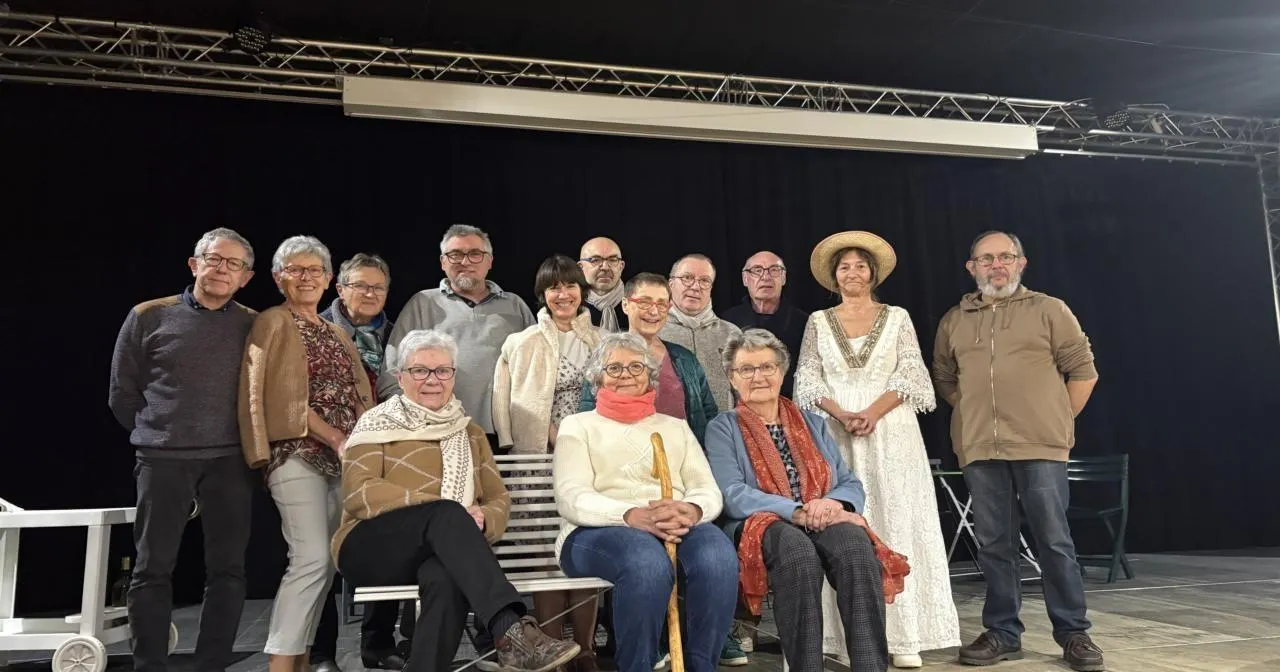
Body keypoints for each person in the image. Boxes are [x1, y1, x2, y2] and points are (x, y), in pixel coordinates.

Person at [333, 329, 580, 672]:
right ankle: (510, 628)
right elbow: (359, 492)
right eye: (420, 370)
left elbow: (497, 498)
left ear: (453, 376)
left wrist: (483, 517)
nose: (432, 379)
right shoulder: (375, 423)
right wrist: (443, 513)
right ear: (400, 377)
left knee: (444, 576)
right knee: (447, 515)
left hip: (444, 551)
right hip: (370, 547)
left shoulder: (470, 432)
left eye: (442, 370)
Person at [932, 231, 1103, 672]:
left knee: (1053, 540)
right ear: (972, 267)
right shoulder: (954, 320)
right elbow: (945, 378)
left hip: (1041, 445)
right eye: (986, 259)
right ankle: (1003, 633)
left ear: (1021, 263)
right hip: (979, 448)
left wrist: (1056, 420)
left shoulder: (1049, 309)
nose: (997, 265)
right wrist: (975, 414)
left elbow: (1083, 372)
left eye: (1005, 257)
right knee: (994, 544)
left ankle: (1074, 633)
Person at [795, 231, 959, 668]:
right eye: (844, 266)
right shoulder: (818, 321)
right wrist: (841, 413)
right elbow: (807, 377)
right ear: (834, 276)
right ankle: (843, 637)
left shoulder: (897, 317)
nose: (853, 272)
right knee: (842, 525)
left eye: (860, 266)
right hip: (836, 431)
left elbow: (911, 374)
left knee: (897, 518)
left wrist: (871, 412)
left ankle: (905, 637)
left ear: (873, 274)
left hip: (890, 430)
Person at [109, 227, 257, 672]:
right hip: (163, 458)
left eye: (233, 264)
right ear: (194, 264)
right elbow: (123, 392)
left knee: (228, 569)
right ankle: (149, 665)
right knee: (151, 568)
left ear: (246, 277)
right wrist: (158, 432)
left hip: (230, 459)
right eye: (214, 259)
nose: (222, 269)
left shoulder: (253, 324)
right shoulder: (148, 315)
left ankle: (212, 664)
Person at [706, 328, 889, 672]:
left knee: (854, 546)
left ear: (782, 372)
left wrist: (834, 505)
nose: (758, 376)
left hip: (820, 516)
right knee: (796, 551)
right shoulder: (723, 427)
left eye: (767, 367)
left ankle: (870, 665)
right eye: (747, 369)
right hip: (761, 522)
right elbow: (732, 494)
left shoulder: (813, 423)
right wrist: (796, 511)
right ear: (732, 378)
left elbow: (848, 482)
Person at [555, 333, 739, 672]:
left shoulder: (675, 426)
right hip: (595, 531)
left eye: (636, 367)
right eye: (614, 368)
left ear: (649, 375)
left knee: (717, 557)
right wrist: (629, 515)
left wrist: (691, 510)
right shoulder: (577, 426)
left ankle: (702, 666)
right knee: (645, 562)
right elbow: (571, 496)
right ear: (598, 379)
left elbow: (707, 489)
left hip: (673, 523)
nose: (626, 374)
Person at [239, 235, 374, 672]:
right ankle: (281, 664)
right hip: (297, 452)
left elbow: (358, 391)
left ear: (329, 279)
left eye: (314, 270)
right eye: (295, 269)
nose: (305, 277)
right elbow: (277, 395)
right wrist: (333, 436)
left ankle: (299, 660)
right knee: (310, 558)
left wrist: (364, 441)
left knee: (326, 564)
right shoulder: (273, 322)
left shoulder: (335, 331)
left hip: (343, 458)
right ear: (278, 277)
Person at [492, 254, 604, 671]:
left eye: (570, 285)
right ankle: (553, 651)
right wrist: (553, 439)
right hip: (539, 461)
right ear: (542, 293)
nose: (563, 294)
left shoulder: (601, 339)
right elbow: (506, 401)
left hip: (592, 458)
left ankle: (586, 650)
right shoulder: (521, 342)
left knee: (585, 548)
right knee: (544, 556)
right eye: (554, 287)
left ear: (582, 291)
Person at [313, 253, 406, 672]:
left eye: (378, 287)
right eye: (360, 285)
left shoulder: (397, 334)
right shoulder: (316, 329)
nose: (370, 294)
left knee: (388, 549)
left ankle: (378, 644)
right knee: (320, 555)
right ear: (340, 288)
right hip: (324, 453)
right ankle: (320, 653)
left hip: (385, 454)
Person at [378, 224, 535, 450]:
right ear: (443, 262)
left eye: (475, 254)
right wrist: (411, 425)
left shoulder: (515, 306)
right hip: (437, 432)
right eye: (455, 254)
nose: (465, 261)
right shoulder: (423, 303)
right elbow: (392, 373)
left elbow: (538, 369)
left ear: (489, 261)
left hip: (507, 435)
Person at [580, 273, 718, 446]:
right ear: (625, 305)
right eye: (644, 302)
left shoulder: (685, 359)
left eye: (661, 304)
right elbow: (587, 414)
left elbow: (709, 413)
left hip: (683, 457)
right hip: (621, 456)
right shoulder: (605, 357)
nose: (654, 311)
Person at [721, 251, 808, 399]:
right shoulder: (728, 320)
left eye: (774, 270)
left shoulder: (803, 321)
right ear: (745, 279)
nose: (766, 277)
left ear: (784, 278)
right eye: (757, 270)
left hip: (789, 403)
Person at [660, 254, 742, 411]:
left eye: (704, 280)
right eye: (687, 278)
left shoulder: (731, 334)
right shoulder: (655, 331)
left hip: (722, 424)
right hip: (668, 423)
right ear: (671, 284)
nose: (695, 287)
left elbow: (743, 390)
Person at [578, 237, 628, 332]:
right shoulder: (571, 305)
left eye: (612, 260)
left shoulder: (637, 304)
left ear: (621, 267)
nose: (605, 267)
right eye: (595, 260)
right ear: (580, 268)